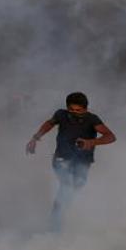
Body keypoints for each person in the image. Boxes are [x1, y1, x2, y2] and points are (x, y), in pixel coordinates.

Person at [25, 92, 116, 232]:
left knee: (77, 186)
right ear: (67, 108)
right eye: (71, 110)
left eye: (78, 110)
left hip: (83, 161)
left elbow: (110, 136)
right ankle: (54, 226)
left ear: (85, 108)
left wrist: (91, 142)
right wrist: (35, 138)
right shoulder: (61, 115)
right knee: (66, 186)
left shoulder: (92, 119)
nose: (75, 113)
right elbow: (49, 124)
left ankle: (63, 215)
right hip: (61, 158)